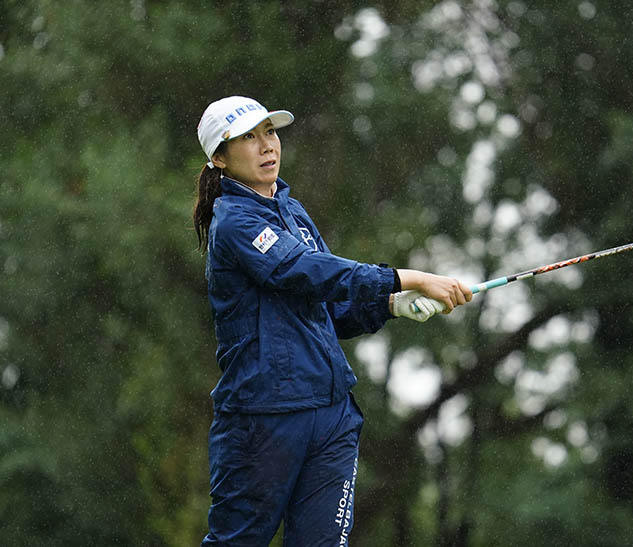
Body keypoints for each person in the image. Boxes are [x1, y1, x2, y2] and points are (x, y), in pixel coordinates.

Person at [193, 95, 472, 546]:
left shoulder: (294, 213)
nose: (267, 145)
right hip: (263, 419)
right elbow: (302, 270)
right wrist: (408, 277)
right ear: (219, 158)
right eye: (247, 137)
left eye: (270, 132)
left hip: (331, 413)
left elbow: (328, 307)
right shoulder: (234, 223)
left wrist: (392, 304)